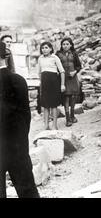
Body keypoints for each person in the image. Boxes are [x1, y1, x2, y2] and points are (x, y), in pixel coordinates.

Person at [0, 42, 40, 198]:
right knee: (27, 189)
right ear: (6, 56)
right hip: (17, 144)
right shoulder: (18, 80)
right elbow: (26, 116)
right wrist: (21, 139)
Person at [38, 42, 65, 130]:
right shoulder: (40, 58)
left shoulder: (55, 57)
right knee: (45, 105)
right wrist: (41, 82)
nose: (44, 49)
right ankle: (46, 125)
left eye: (46, 47)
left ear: (50, 49)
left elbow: (62, 71)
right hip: (44, 83)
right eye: (42, 48)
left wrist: (62, 84)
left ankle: (54, 125)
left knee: (53, 104)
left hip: (54, 83)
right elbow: (39, 72)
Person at [56, 38, 82, 127]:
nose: (65, 46)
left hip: (73, 77)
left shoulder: (74, 53)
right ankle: (67, 119)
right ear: (61, 45)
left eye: (67, 44)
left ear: (71, 45)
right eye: (63, 44)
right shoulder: (58, 54)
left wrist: (74, 72)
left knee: (73, 96)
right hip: (63, 78)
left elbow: (79, 66)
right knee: (66, 97)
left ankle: (72, 115)